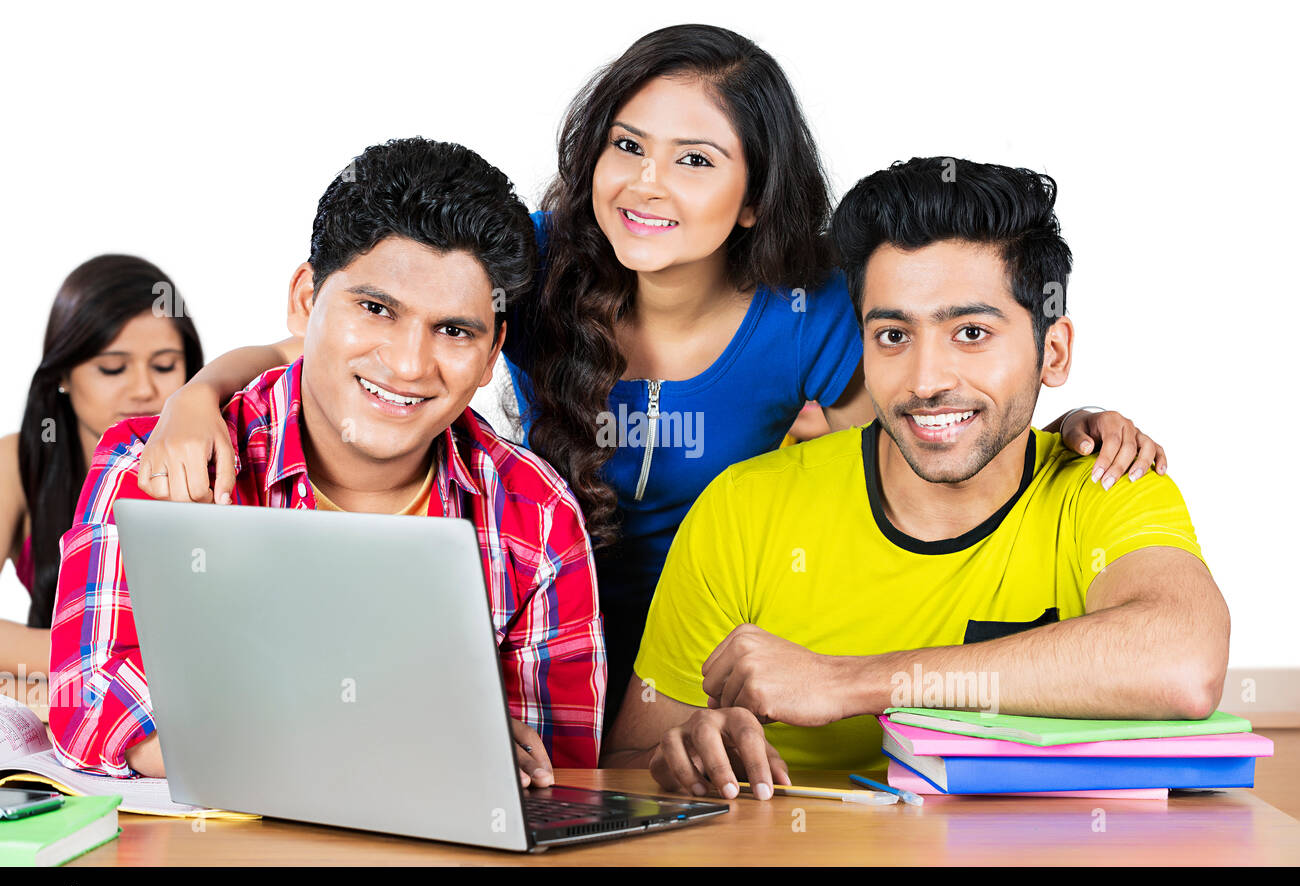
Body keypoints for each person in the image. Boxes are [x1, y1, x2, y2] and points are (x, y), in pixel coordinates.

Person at [130, 26, 1164, 732]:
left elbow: (929, 409)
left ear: (758, 199)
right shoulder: (536, 257)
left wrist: (1072, 425)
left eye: (697, 160)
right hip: (535, 623)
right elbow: (344, 342)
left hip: (715, 655)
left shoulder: (809, 305)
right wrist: (191, 400)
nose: (647, 184)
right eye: (627, 145)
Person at [602, 157, 1229, 799]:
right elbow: (630, 761)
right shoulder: (746, 506)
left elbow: (1183, 664)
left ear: (1055, 351)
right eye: (894, 335)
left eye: (972, 332)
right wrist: (681, 758)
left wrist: (848, 681)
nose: (926, 381)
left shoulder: (1105, 482)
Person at [47, 138, 605, 781]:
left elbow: (554, 773)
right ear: (306, 299)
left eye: (453, 330)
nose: (406, 364)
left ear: (491, 352)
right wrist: (390, 729)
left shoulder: (534, 515)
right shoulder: (160, 463)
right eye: (376, 310)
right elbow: (91, 710)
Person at [0, 255, 203, 693]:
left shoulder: (216, 457)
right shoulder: (18, 461)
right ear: (63, 376)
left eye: (165, 365)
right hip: (69, 708)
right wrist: (93, 663)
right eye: (112, 368)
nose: (144, 390)